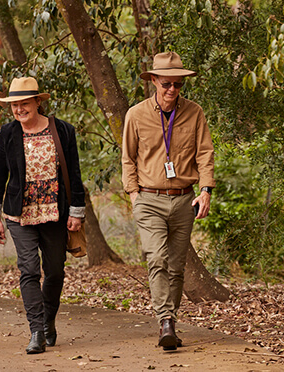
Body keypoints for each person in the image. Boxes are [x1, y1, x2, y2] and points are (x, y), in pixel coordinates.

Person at [121, 52, 216, 351]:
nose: (172, 90)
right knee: (156, 258)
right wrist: (134, 194)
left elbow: (205, 153)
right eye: (166, 84)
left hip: (184, 200)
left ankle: (170, 322)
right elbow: (128, 158)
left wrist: (206, 191)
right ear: (153, 82)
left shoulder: (194, 112)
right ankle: (165, 321)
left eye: (177, 85)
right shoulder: (135, 115)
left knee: (176, 267)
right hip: (149, 199)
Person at [0, 77, 85, 354]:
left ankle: (48, 321)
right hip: (19, 214)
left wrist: (76, 211)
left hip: (55, 213)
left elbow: (75, 173)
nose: (19, 109)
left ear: (38, 103)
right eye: (15, 105)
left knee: (54, 271)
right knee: (29, 270)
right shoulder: (8, 133)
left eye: (24, 104)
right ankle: (36, 331)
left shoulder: (63, 130)